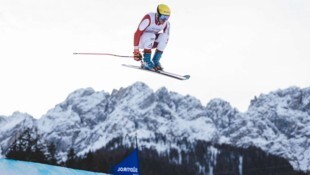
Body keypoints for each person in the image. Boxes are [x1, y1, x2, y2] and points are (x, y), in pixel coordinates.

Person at [133, 4, 171, 71]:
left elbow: (165, 39)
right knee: (151, 36)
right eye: (163, 17)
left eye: (167, 17)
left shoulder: (166, 24)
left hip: (151, 42)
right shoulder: (149, 18)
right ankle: (146, 61)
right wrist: (136, 50)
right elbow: (137, 33)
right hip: (141, 41)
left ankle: (155, 61)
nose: (164, 20)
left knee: (165, 37)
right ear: (158, 14)